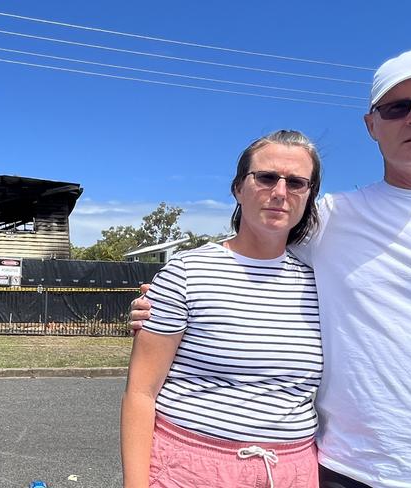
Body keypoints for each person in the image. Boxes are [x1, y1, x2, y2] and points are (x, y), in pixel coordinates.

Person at [130, 49, 411, 487]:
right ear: (372, 125)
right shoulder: (329, 219)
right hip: (345, 469)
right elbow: (252, 251)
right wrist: (162, 301)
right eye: (396, 107)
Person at [121, 130, 324, 488]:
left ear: (309, 196)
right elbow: (141, 393)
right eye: (265, 177)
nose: (280, 192)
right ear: (238, 188)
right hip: (193, 469)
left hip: (293, 471)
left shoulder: (321, 284)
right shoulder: (186, 272)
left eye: (296, 182)